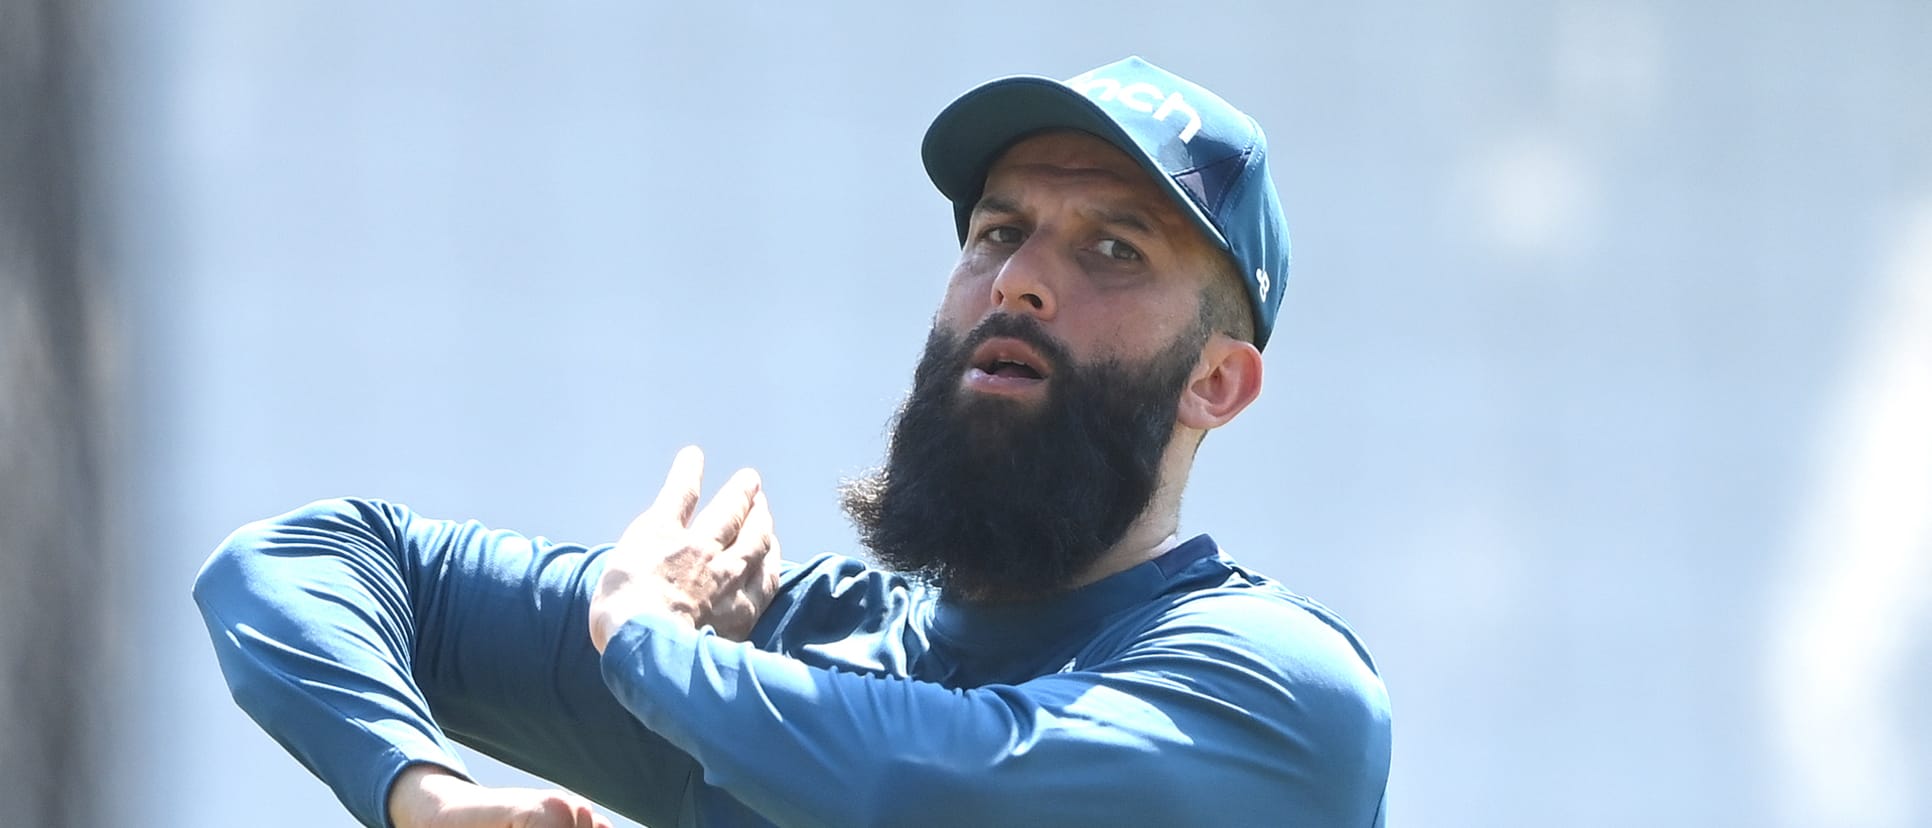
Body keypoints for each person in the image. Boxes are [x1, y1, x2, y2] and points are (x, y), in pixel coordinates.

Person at [194, 56, 1393, 828]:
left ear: (1219, 385)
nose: (1019, 282)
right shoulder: (783, 655)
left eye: (1112, 250)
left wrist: (653, 651)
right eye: (996, 231)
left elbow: (931, 787)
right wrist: (425, 795)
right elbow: (301, 561)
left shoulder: (1279, 695)